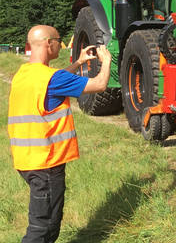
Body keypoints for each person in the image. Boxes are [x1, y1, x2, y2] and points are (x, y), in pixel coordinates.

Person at [7, 25, 111, 243]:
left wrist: (80, 62)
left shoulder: (23, 74)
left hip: (27, 161)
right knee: (42, 228)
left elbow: (56, 80)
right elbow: (100, 84)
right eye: (58, 40)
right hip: (47, 163)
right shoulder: (52, 79)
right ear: (49, 43)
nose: (60, 44)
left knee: (48, 221)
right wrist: (106, 59)